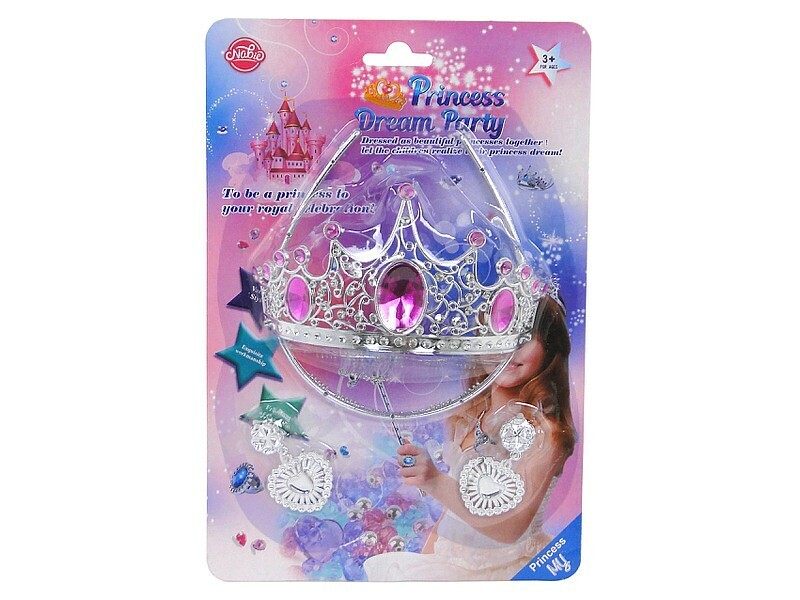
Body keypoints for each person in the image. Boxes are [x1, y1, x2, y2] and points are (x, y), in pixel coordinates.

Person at [364, 296, 576, 580]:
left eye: (523, 338)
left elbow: (510, 528)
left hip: (501, 573)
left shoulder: (544, 433)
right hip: (450, 566)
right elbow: (450, 516)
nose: (507, 349)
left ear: (549, 347)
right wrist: (425, 560)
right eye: (495, 336)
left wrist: (435, 481)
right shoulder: (468, 419)